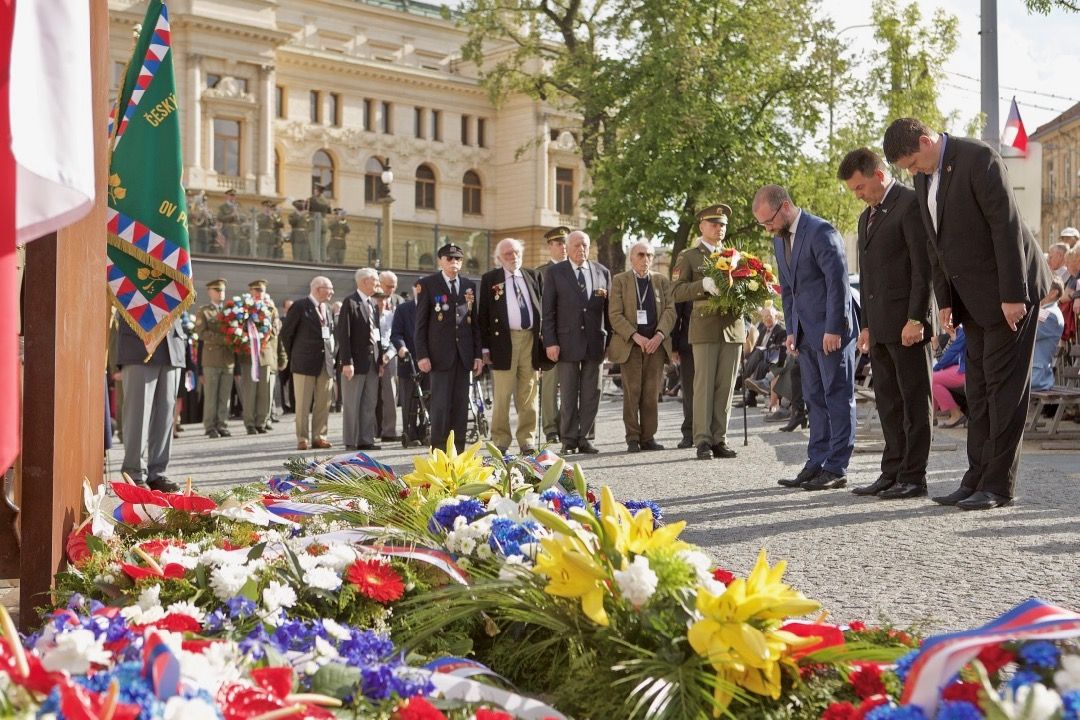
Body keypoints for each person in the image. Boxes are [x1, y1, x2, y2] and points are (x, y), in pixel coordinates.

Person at [884, 117, 1052, 510]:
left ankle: (997, 485)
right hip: (972, 299)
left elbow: (1005, 227)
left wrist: (1014, 294)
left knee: (1003, 391)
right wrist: (945, 302)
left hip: (1011, 293)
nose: (912, 172)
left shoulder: (978, 158)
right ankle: (975, 477)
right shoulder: (926, 178)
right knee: (977, 389)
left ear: (926, 141)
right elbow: (935, 244)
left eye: (912, 163)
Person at [838, 147, 934, 500]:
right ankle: (891, 471)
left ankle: (914, 475)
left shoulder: (910, 204)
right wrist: (865, 325)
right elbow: (868, 278)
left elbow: (923, 270)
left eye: (860, 187)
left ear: (878, 175)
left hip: (907, 325)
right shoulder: (867, 218)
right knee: (888, 403)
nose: (858, 195)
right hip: (878, 326)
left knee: (913, 401)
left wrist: (917, 318)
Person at [754, 185, 858, 491]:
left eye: (768, 221)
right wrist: (791, 332)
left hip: (831, 333)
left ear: (784, 206)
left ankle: (837, 466)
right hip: (804, 334)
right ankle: (816, 463)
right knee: (813, 398)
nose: (767, 228)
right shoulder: (779, 240)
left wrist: (834, 328)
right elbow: (789, 291)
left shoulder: (821, 231)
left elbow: (837, 284)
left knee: (837, 396)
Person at [671, 204, 745, 461]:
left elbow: (746, 285)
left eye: (723, 224)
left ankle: (719, 438)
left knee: (726, 385)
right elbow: (676, 291)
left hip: (732, 327)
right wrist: (702, 285)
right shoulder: (690, 256)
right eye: (714, 224)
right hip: (703, 327)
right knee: (703, 386)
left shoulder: (735, 256)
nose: (719, 229)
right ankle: (702, 439)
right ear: (702, 226)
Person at [542, 230, 611, 455]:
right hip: (566, 341)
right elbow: (548, 311)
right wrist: (550, 342)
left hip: (595, 341)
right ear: (567, 248)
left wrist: (609, 340)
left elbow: (608, 312)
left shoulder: (602, 272)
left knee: (592, 392)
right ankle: (569, 439)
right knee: (569, 393)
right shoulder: (555, 273)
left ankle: (586, 437)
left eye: (585, 245)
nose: (581, 249)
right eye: (576, 246)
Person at [608, 240, 675, 452]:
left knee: (651, 393)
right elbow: (615, 314)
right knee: (632, 393)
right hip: (631, 345)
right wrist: (636, 336)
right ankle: (633, 437)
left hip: (655, 346)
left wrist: (659, 336)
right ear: (631, 258)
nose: (645, 259)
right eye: (640, 254)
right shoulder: (620, 281)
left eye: (649, 255)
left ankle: (648, 437)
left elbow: (670, 311)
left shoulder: (661, 281)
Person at [415, 244, 483, 453]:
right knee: (441, 408)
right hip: (439, 357)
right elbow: (421, 324)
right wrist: (422, 355)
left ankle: (458, 453)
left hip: (463, 356)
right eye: (449, 259)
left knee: (460, 408)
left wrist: (478, 355)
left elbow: (474, 323)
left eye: (458, 260)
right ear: (440, 261)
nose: (454, 263)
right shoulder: (428, 284)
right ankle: (438, 453)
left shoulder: (468, 286)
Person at [479, 237, 543, 455]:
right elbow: (483, 316)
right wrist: (485, 348)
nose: (513, 257)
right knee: (503, 395)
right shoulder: (490, 279)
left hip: (530, 341)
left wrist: (543, 348)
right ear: (499, 258)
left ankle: (527, 440)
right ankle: (500, 440)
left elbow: (541, 312)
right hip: (502, 343)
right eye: (507, 254)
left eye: (516, 252)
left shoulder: (533, 276)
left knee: (529, 392)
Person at [117, 318, 186, 492]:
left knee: (165, 415)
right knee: (137, 415)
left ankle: (158, 473)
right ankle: (134, 472)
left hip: (171, 346)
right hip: (139, 344)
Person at [280, 276, 336, 450]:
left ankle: (320, 436)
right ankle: (302, 438)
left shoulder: (327, 308)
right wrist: (295, 354)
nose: (332, 292)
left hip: (324, 363)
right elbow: (286, 334)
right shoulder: (299, 306)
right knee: (303, 404)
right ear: (318, 289)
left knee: (323, 402)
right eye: (329, 288)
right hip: (304, 363)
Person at [336, 268, 383, 450]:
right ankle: (351, 440)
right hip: (354, 363)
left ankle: (366, 439)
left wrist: (380, 362)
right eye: (375, 281)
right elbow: (344, 335)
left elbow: (376, 336)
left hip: (372, 362)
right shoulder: (351, 302)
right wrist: (347, 362)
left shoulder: (372, 304)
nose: (377, 284)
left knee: (369, 403)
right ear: (364, 281)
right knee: (352, 403)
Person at [536, 226, 569, 443]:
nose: (563, 247)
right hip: (549, 336)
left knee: (570, 385)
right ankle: (550, 428)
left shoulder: (576, 269)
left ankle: (567, 426)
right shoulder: (540, 273)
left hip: (572, 336)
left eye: (565, 243)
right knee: (549, 385)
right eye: (558, 243)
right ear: (550, 247)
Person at [239, 280, 284, 435]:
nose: (258, 293)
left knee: (266, 393)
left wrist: (280, 357)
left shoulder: (272, 309)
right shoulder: (243, 309)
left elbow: (277, 336)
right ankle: (250, 423)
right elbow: (238, 330)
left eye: (261, 290)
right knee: (250, 393)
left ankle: (262, 422)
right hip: (249, 356)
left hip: (267, 355)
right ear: (250, 291)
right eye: (255, 290)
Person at [193, 278, 234, 438]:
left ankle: (222, 425)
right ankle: (210, 427)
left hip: (228, 359)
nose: (220, 293)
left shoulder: (231, 311)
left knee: (225, 396)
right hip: (211, 360)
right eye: (217, 290)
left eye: (222, 290)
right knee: (211, 396)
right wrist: (224, 339)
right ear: (210, 292)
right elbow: (201, 333)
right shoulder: (204, 311)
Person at [391, 284, 425, 448]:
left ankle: (425, 431)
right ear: (413, 290)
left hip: (430, 362)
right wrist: (401, 347)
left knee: (429, 399)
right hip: (409, 361)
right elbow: (396, 333)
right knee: (409, 401)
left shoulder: (433, 309)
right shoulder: (403, 309)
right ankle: (409, 433)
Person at [738, 306, 786, 408]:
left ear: (776, 317)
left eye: (769, 316)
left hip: (773, 360)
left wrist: (762, 351)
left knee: (759, 353)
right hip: (760, 360)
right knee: (757, 358)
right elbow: (755, 347)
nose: (767, 319)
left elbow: (779, 351)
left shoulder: (781, 330)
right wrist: (747, 359)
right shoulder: (762, 329)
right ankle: (750, 396)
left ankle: (741, 382)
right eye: (764, 317)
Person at [377, 271, 401, 441]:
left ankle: (389, 431)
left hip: (391, 353)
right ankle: (370, 430)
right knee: (371, 395)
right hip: (372, 352)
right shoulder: (371, 299)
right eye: (388, 286)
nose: (391, 290)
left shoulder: (399, 302)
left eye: (393, 286)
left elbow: (399, 331)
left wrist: (390, 353)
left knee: (390, 394)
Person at [1032, 278, 1065, 392]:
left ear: (1053, 293)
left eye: (1043, 287)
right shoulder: (1045, 311)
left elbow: (1028, 334)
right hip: (1032, 373)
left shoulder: (1050, 314)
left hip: (1036, 376)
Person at [669, 297, 695, 448]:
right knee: (689, 392)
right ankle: (689, 433)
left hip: (713, 342)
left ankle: (709, 432)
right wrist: (674, 346)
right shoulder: (685, 277)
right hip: (688, 344)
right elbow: (676, 314)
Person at [932, 326, 967, 428]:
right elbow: (944, 359)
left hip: (966, 370)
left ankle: (956, 414)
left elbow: (950, 356)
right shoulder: (957, 333)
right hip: (960, 368)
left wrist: (935, 369)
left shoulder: (963, 331)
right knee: (933, 377)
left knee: (933, 378)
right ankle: (931, 417)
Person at [217, 188, 245, 256]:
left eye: (234, 196)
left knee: (235, 249)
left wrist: (239, 216)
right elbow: (220, 218)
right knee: (227, 249)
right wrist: (231, 215)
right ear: (227, 196)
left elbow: (242, 218)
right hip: (227, 230)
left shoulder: (237, 206)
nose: (233, 197)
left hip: (236, 231)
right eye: (231, 195)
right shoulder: (223, 207)